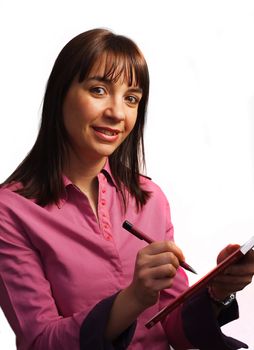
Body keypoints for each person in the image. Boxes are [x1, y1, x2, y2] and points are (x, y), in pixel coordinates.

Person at [0, 28, 253, 350]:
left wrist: (216, 292)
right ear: (60, 94)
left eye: (131, 98)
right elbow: (39, 341)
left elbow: (172, 329)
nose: (117, 113)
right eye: (98, 90)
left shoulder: (149, 198)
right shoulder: (10, 210)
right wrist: (132, 299)